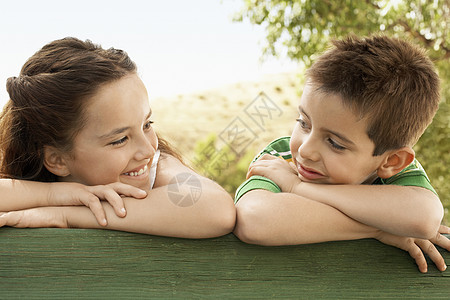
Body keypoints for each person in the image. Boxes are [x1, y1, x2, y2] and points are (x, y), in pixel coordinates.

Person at [233, 35, 450, 273]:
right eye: (303, 122)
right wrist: (379, 228)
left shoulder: (398, 172)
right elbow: (254, 220)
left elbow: (425, 219)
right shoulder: (279, 157)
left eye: (335, 143)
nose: (305, 149)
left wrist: (297, 187)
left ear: (391, 161)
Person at [0, 37, 235, 238]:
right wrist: (57, 195)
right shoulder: (25, 181)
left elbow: (217, 208)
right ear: (57, 160)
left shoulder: (156, 168)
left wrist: (66, 213)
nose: (148, 150)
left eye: (146, 125)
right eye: (120, 139)